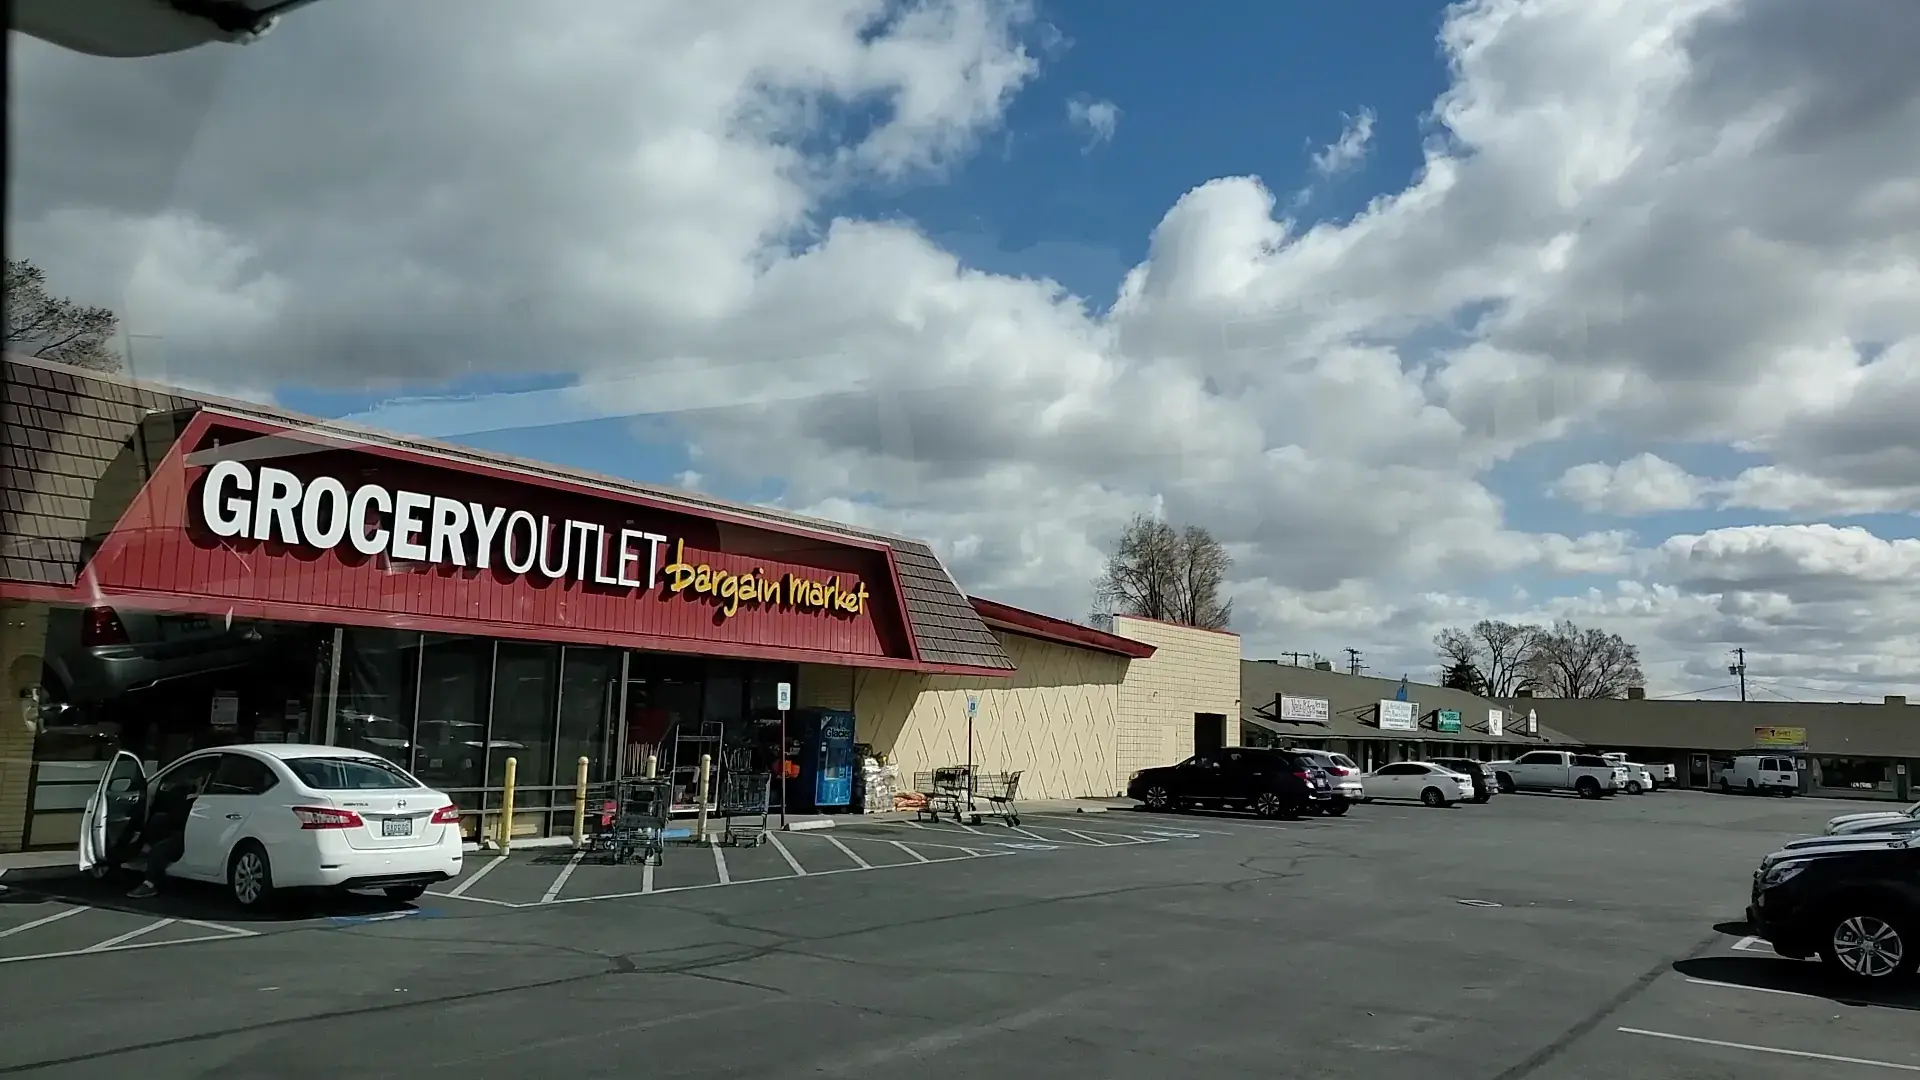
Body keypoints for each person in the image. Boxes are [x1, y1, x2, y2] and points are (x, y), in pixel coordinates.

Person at [125, 776, 195, 899]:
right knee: (157, 821)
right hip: (183, 828)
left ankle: (150, 884)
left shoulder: (197, 797)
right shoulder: (189, 794)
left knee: (160, 850)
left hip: (192, 833)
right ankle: (142, 849)